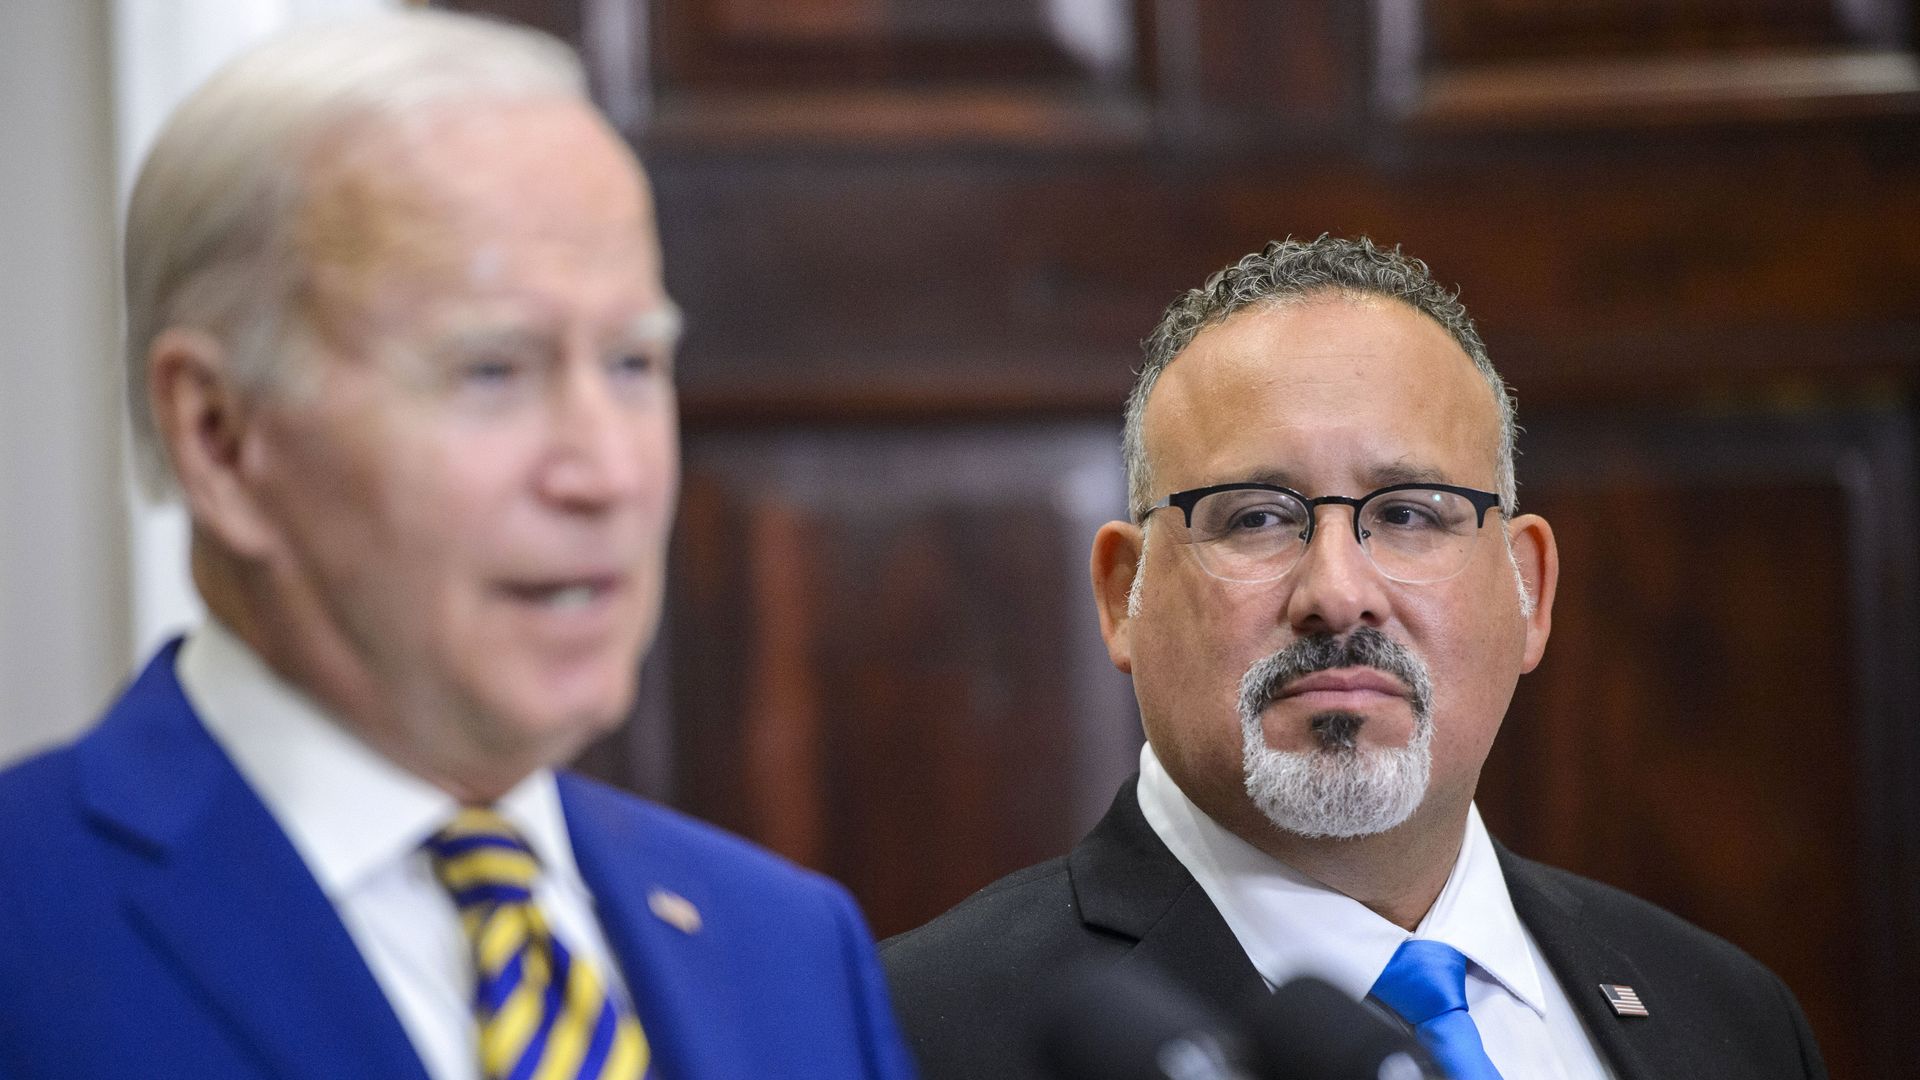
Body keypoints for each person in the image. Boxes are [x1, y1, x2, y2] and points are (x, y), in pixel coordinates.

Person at [0, 13, 914, 1080]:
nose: (606, 473)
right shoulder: (29, 917)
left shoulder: (793, 950)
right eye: (492, 371)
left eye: (631, 365)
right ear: (221, 439)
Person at [882, 237, 1826, 1079]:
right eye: (1256, 516)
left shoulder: (1732, 1020)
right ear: (1122, 595)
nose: (1338, 592)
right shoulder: (908, 1037)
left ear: (1528, 591)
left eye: (1410, 513)